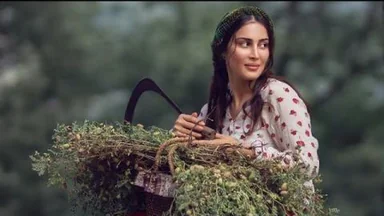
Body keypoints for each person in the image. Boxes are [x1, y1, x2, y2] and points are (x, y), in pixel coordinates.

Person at [172, 5, 320, 191]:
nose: (256, 55)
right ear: (223, 50)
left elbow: (307, 165)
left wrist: (246, 152)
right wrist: (180, 135)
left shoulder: (278, 96)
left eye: (263, 45)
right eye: (245, 44)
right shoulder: (213, 109)